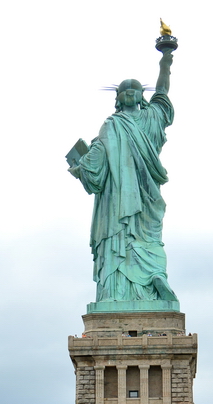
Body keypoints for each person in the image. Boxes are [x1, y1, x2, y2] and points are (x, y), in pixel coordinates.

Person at [69, 48, 178, 304]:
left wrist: (80, 165)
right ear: (119, 97)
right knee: (148, 239)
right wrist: (166, 58)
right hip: (135, 195)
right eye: (126, 91)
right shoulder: (132, 121)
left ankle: (121, 290)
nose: (130, 93)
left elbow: (93, 165)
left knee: (124, 236)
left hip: (126, 197)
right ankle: (152, 277)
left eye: (134, 90)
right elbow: (162, 93)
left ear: (141, 96)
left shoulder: (114, 124)